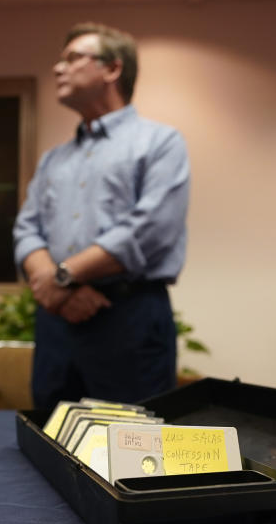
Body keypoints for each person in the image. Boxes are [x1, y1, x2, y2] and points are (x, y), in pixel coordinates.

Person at [13, 22, 190, 410]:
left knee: (136, 452)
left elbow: (150, 229)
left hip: (128, 319)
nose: (59, 68)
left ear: (112, 69)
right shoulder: (53, 159)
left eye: (73, 58)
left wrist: (62, 276)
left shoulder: (159, 142)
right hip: (56, 323)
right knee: (50, 442)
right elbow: (27, 229)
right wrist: (60, 292)